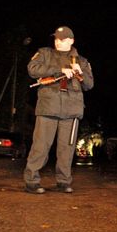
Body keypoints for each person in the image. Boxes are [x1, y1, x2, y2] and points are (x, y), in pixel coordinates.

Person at [24, 26, 94, 194]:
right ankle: (31, 181)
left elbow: (89, 85)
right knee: (40, 147)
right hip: (48, 107)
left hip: (71, 111)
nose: (57, 41)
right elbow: (32, 69)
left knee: (67, 150)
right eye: (56, 38)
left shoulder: (82, 61)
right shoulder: (45, 53)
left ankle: (63, 182)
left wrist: (80, 74)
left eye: (62, 39)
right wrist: (59, 70)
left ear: (71, 40)